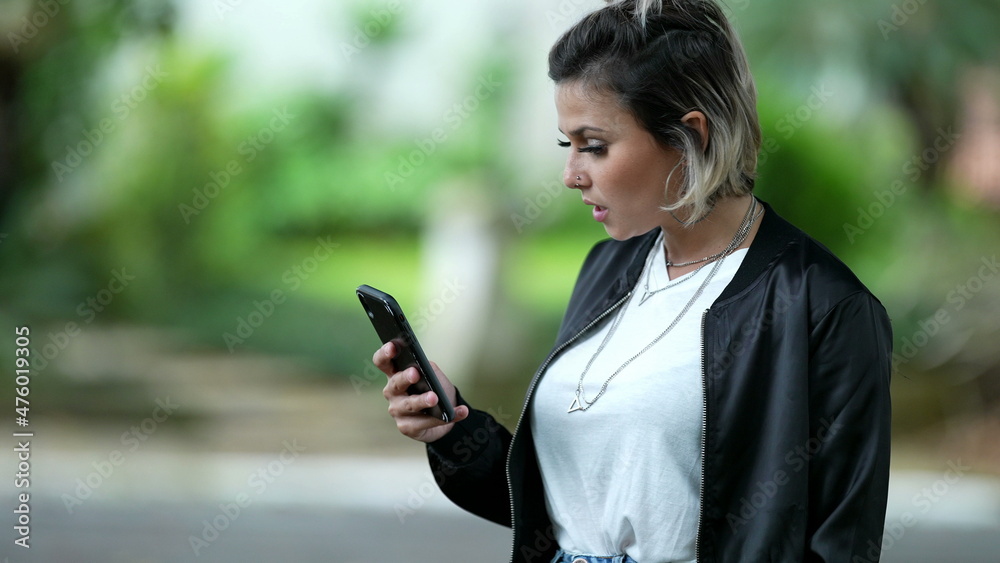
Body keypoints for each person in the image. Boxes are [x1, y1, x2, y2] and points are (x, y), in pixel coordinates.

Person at [373, 0, 892, 561]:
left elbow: (841, 545)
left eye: (594, 146)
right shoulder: (608, 270)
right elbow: (561, 501)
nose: (571, 175)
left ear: (690, 134)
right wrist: (455, 429)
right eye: (565, 145)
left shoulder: (823, 308)